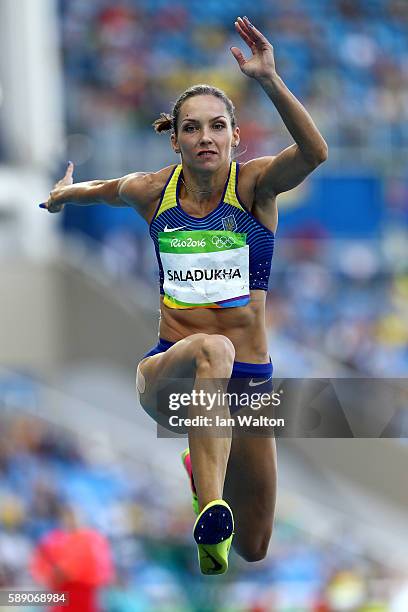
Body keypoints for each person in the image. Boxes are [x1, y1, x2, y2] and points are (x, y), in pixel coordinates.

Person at [40, 16, 328, 575]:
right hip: (169, 371)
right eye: (192, 128)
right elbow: (102, 189)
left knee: (255, 546)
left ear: (234, 137)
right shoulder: (155, 191)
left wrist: (268, 79)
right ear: (174, 139)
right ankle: (209, 500)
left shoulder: (254, 186)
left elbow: (314, 153)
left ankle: (206, 479)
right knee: (211, 349)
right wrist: (62, 194)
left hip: (248, 386)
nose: (205, 138)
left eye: (217, 127)